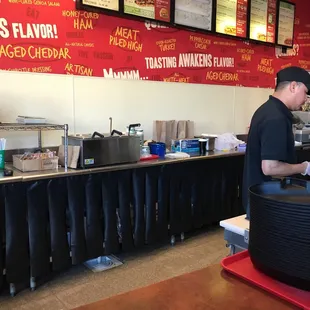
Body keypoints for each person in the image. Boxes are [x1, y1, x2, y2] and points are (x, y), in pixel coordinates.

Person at [242, 66, 310, 219]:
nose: (306, 99)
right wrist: (305, 167)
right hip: (267, 201)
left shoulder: (267, 109)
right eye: (305, 92)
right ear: (293, 86)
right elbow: (270, 168)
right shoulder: (276, 117)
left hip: (258, 197)